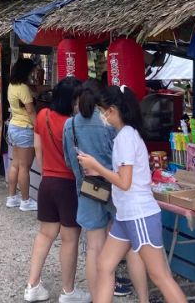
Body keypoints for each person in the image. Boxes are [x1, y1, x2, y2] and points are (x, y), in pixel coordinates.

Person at [78, 86, 186, 303]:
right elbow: (122, 179)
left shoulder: (126, 137)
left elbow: (124, 183)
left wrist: (96, 166)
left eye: (102, 110)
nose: (101, 115)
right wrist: (96, 169)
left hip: (139, 214)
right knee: (105, 264)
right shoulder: (124, 136)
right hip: (126, 215)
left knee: (160, 276)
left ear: (113, 109)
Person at [62, 80, 147, 301]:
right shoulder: (110, 123)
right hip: (117, 189)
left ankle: (97, 296)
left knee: (94, 248)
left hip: (89, 191)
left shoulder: (69, 125)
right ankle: (143, 298)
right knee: (130, 246)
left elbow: (70, 161)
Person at [23, 77, 83, 303]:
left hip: (47, 182)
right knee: (70, 239)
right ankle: (68, 292)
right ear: (72, 100)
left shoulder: (42, 116)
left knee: (45, 234)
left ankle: (32, 285)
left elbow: (38, 150)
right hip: (67, 185)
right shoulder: (74, 123)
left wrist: (47, 172)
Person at [7, 57, 39, 212]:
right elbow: (31, 110)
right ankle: (25, 201)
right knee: (24, 167)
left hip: (14, 127)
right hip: (25, 128)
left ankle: (12, 197)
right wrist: (38, 127)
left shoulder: (12, 86)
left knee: (15, 165)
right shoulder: (24, 89)